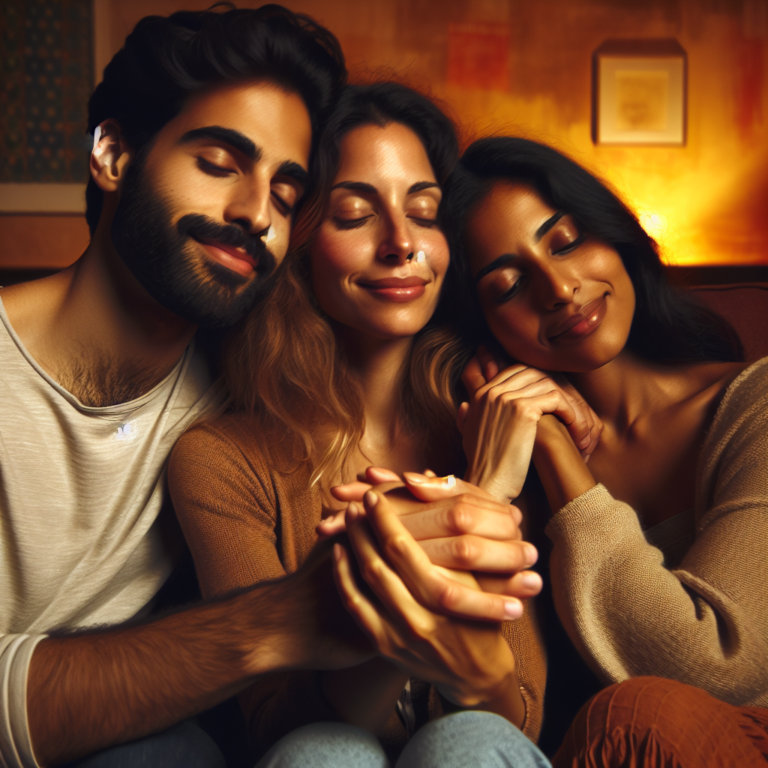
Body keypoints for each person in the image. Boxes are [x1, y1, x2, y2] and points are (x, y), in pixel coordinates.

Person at [0, 8, 531, 767]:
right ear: (114, 154)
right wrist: (287, 616)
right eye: (219, 162)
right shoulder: (218, 435)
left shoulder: (239, 388)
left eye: (287, 195)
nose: (257, 215)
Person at [169, 85, 561, 768]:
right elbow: (275, 717)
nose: (402, 243)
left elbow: (517, 712)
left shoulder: (488, 429)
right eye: (354, 214)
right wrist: (408, 565)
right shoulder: (221, 459)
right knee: (321, 751)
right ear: (298, 242)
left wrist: (487, 492)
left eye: (425, 212)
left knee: (467, 742)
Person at [443, 136, 768, 765]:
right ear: (484, 325)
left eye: (566, 243)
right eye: (508, 286)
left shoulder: (756, 403)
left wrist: (562, 460)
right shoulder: (496, 455)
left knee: (633, 715)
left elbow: (720, 666)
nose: (560, 288)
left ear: (615, 235)